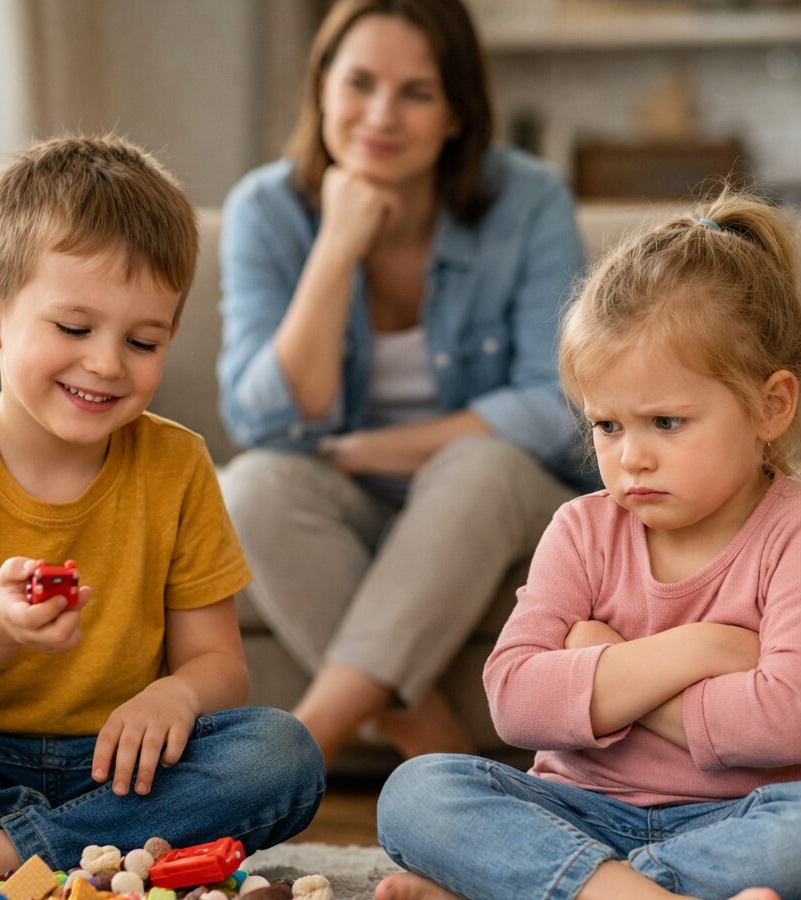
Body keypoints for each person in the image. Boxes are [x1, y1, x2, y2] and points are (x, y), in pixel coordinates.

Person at [374, 191, 801, 900]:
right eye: (607, 425)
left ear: (769, 407)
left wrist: (604, 663)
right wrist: (701, 649)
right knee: (415, 793)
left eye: (666, 424)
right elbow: (513, 700)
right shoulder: (581, 529)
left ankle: (543, 899)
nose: (630, 457)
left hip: (743, 821)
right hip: (578, 812)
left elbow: (788, 726)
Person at [0, 135, 325, 889]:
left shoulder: (177, 465)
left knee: (281, 753)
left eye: (143, 341)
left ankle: (3, 854)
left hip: (123, 768)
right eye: (74, 329)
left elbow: (217, 665)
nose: (107, 362)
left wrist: (173, 694)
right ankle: (87, 846)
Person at [218, 0, 594, 766]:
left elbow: (559, 407)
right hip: (352, 507)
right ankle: (440, 754)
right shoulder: (265, 209)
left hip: (497, 498)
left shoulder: (529, 203)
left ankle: (292, 750)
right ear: (321, 89)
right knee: (250, 486)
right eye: (358, 83)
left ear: (458, 110)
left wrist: (383, 448)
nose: (380, 116)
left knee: (476, 464)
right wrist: (336, 246)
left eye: (416, 92)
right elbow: (261, 421)